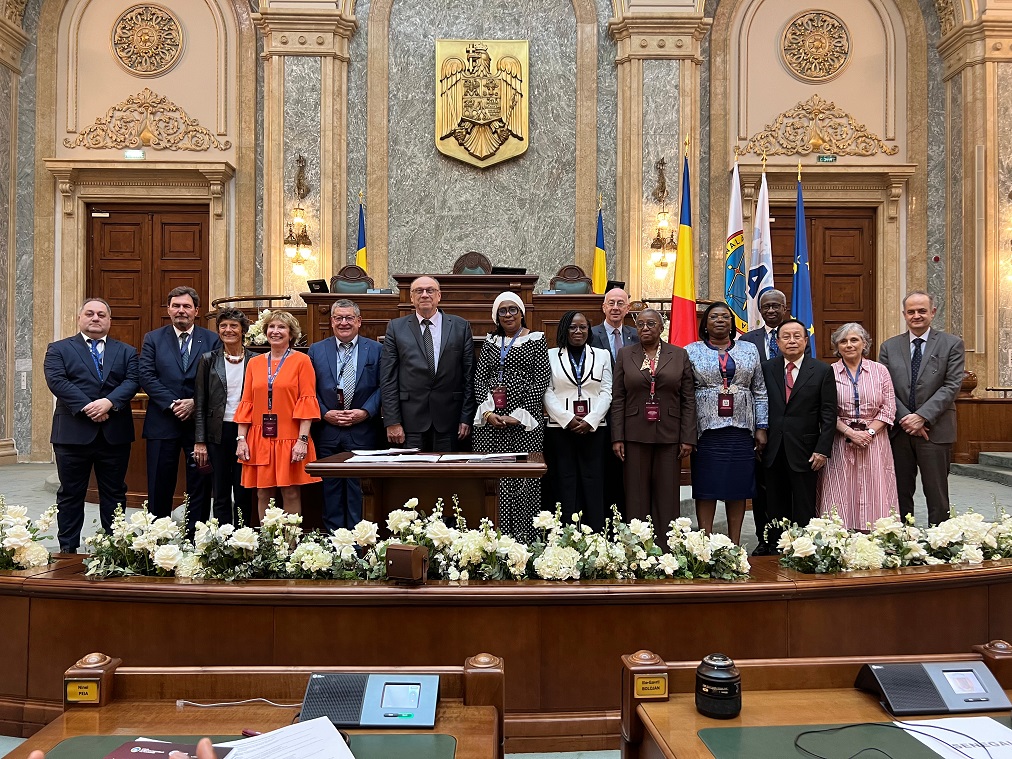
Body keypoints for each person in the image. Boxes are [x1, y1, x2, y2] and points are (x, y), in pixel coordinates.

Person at [43, 298, 139, 552]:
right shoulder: (59, 349)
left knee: (115, 494)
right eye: (90, 313)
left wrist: (109, 402)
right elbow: (57, 381)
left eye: (101, 315)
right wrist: (90, 407)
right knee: (71, 494)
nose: (95, 318)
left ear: (109, 321)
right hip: (72, 435)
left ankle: (114, 548)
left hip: (114, 434)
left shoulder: (127, 351)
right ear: (79, 318)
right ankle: (68, 550)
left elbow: (132, 381)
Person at [140, 286, 221, 537]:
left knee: (199, 484)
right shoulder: (153, 338)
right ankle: (157, 538)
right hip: (163, 421)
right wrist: (175, 403)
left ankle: (194, 539)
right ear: (168, 309)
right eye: (176, 306)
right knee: (159, 483)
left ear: (196, 311)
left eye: (186, 306)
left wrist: (194, 402)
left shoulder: (212, 339)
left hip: (199, 426)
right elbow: (146, 376)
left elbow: (217, 378)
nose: (181, 311)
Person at [878, 291, 965, 525]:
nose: (916, 316)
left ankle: (941, 543)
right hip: (899, 431)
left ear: (933, 312)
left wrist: (922, 417)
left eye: (922, 311)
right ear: (904, 314)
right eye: (911, 311)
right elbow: (886, 389)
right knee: (899, 492)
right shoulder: (889, 347)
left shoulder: (952, 344)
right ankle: (902, 540)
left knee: (936, 493)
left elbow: (952, 385)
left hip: (935, 430)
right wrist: (907, 418)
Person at [685, 302, 768, 545]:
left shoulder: (749, 349)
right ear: (706, 324)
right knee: (706, 487)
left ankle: (734, 544)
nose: (720, 320)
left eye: (725, 317)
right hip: (706, 430)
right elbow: (685, 394)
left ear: (732, 324)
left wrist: (761, 427)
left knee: (738, 488)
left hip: (741, 429)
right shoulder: (691, 351)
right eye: (714, 317)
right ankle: (704, 542)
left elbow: (760, 391)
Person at [473, 292, 551, 541]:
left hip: (525, 423)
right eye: (503, 311)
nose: (508, 315)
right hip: (490, 425)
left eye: (513, 309)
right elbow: (479, 379)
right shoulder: (490, 341)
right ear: (496, 315)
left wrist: (519, 415)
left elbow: (541, 380)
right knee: (493, 480)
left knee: (523, 481)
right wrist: (487, 411)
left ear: (521, 313)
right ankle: (492, 538)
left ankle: (524, 539)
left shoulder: (536, 340)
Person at [610, 308, 696, 527]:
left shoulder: (679, 355)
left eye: (650, 324)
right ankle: (638, 551)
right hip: (634, 434)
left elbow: (688, 399)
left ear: (661, 327)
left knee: (667, 495)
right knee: (636, 496)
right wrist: (617, 437)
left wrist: (687, 437)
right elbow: (618, 398)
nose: (645, 328)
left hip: (670, 435)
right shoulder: (625, 354)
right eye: (640, 324)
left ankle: (666, 548)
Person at [740, 288, 810, 554]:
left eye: (776, 307)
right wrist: (759, 425)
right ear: (760, 309)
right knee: (763, 486)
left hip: (791, 424)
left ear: (784, 308)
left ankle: (794, 538)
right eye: (766, 306)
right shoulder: (748, 340)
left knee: (791, 485)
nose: (770, 311)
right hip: (758, 423)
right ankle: (765, 538)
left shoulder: (797, 336)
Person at [235, 310, 321, 518]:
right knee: (263, 492)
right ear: (265, 332)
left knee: (290, 491)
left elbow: (307, 401)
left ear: (291, 334)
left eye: (281, 327)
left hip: (290, 436)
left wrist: (302, 440)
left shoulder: (302, 361)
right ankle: (269, 547)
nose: (276, 331)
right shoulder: (254, 363)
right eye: (271, 327)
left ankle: (289, 547)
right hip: (259, 437)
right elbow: (247, 402)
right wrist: (241, 439)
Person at [308, 299, 383, 531]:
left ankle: (358, 545)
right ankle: (333, 545)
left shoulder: (377, 350)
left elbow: (384, 387)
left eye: (349, 318)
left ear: (359, 321)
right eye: (338, 318)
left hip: (363, 431)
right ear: (331, 322)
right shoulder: (316, 350)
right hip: (328, 431)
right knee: (330, 491)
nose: (344, 322)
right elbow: (308, 390)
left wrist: (366, 411)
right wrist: (324, 413)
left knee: (358, 491)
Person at [761, 319, 837, 541]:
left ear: (806, 340)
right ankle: (776, 550)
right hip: (772, 448)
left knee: (804, 505)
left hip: (807, 449)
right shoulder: (766, 369)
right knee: (775, 505)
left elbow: (829, 414)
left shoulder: (822, 371)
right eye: (786, 337)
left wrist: (823, 449)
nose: (791, 341)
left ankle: (804, 549)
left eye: (797, 336)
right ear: (777, 342)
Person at [380, 275, 476, 451]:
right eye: (419, 291)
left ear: (439, 295)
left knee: (447, 476)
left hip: (450, 421)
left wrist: (466, 417)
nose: (424, 295)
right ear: (411, 297)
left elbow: (469, 376)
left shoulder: (460, 326)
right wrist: (392, 421)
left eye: (430, 290)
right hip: (410, 421)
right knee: (412, 477)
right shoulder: (396, 327)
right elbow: (388, 378)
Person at [818, 323, 899, 529]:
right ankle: (837, 537)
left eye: (854, 340)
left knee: (876, 488)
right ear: (837, 346)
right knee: (841, 489)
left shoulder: (880, 371)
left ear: (864, 343)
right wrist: (850, 433)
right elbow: (825, 411)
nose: (849, 345)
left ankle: (876, 536)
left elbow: (888, 408)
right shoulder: (828, 372)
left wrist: (869, 432)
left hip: (874, 441)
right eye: (843, 341)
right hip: (840, 440)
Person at [544, 310, 613, 531]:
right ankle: (564, 532)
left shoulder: (601, 355)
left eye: (583, 327)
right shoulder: (550, 355)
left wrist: (591, 420)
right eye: (573, 327)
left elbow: (606, 391)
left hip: (594, 429)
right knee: (564, 480)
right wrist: (568, 418)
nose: (578, 331)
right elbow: (547, 392)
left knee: (593, 481)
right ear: (564, 329)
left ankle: (595, 533)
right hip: (560, 429)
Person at [192, 309, 254, 527]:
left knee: (243, 488)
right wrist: (200, 441)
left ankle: (243, 537)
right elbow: (200, 402)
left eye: (234, 326)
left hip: (246, 432)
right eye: (223, 326)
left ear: (243, 330)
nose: (228, 330)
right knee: (220, 490)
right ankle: (224, 537)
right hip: (216, 432)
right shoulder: (208, 360)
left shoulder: (255, 361)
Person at [589, 287, 638, 513]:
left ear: (628, 308)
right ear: (603, 307)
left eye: (621, 303)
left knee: (628, 472)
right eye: (611, 303)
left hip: (631, 412)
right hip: (599, 412)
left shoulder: (637, 335)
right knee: (604, 470)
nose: (616, 307)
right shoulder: (589, 334)